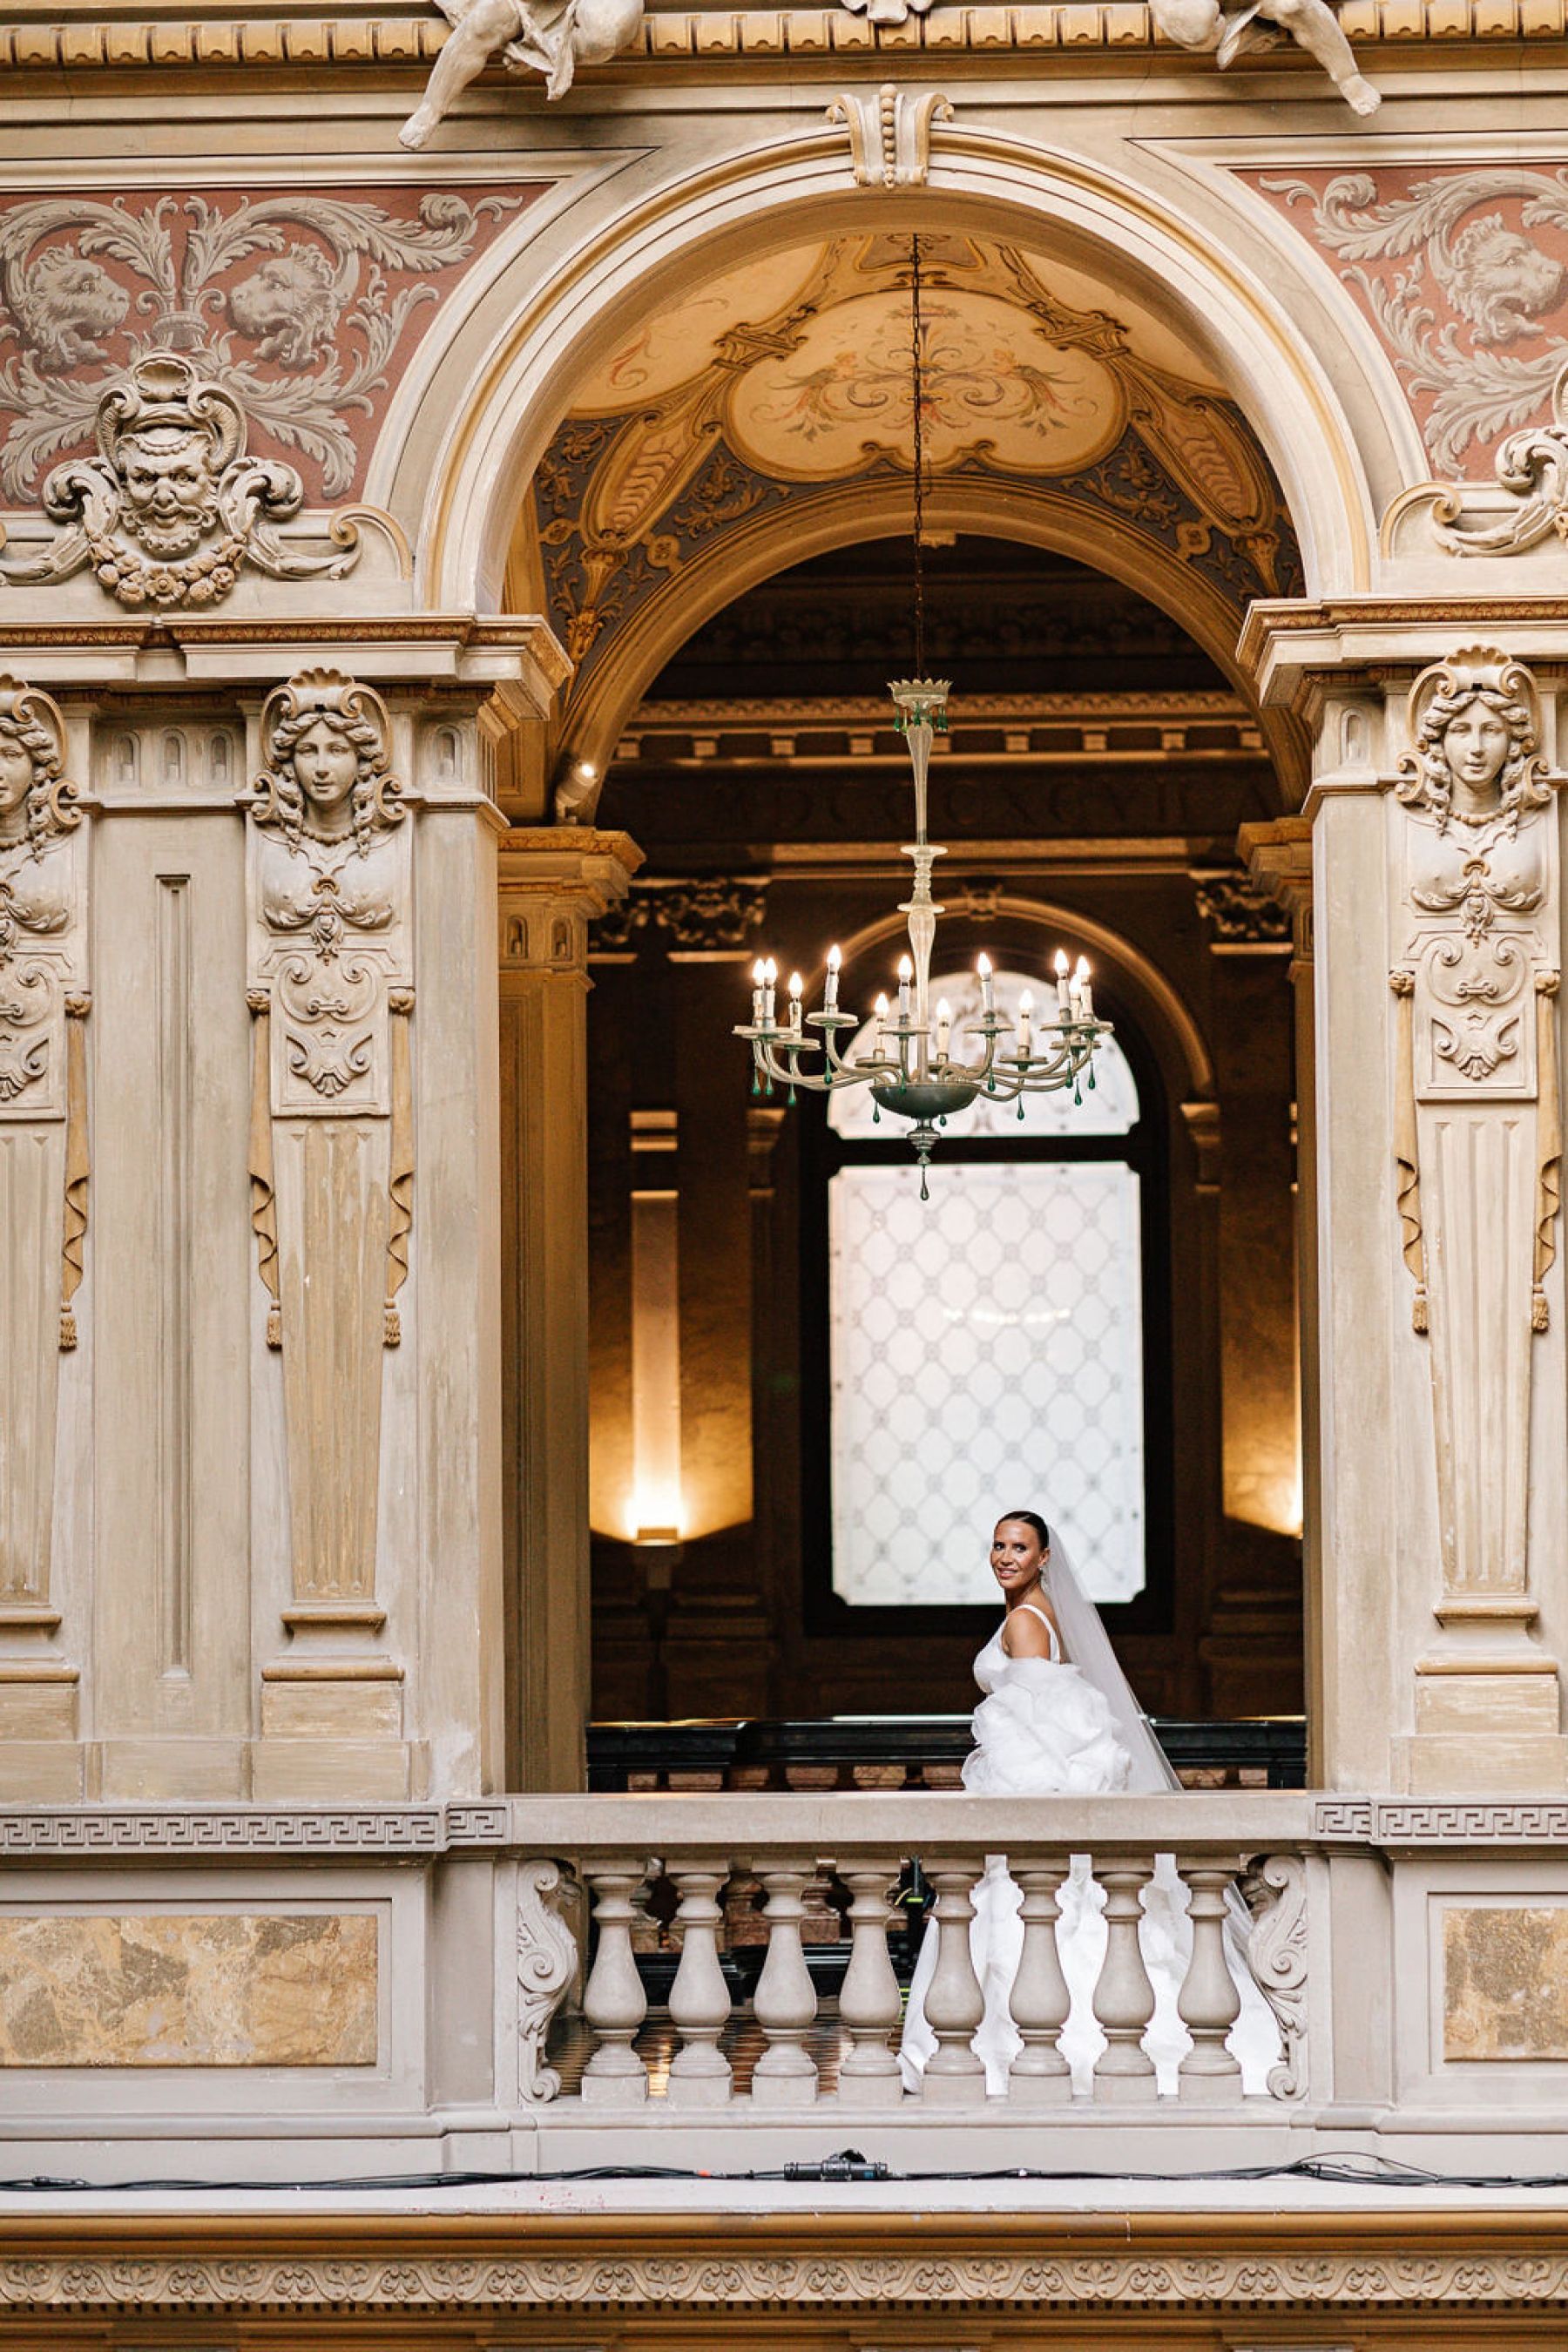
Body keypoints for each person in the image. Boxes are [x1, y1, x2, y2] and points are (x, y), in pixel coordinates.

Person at [898, 1509, 1280, 2096]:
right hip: (1048, 1790)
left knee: (1028, 1923)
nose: (1005, 1557)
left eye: (1019, 1547)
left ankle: (1043, 2051)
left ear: (1044, 1558)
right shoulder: (1040, 1616)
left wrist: (999, 1816)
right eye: (998, 1545)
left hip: (1032, 1797)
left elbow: (1036, 1736)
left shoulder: (1027, 1624)